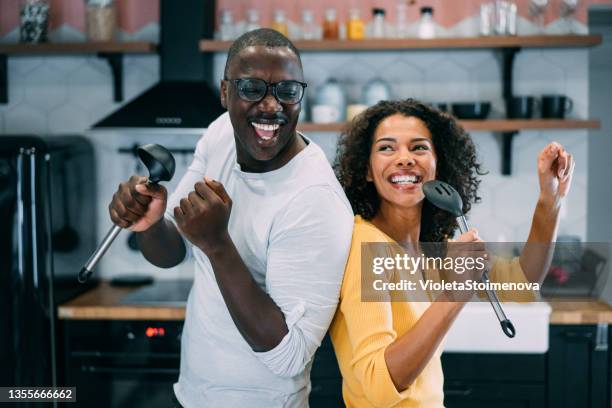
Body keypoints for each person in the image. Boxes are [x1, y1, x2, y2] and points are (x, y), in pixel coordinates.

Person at [108, 29, 353, 407]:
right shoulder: (222, 133)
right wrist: (151, 223)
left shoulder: (315, 201)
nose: (271, 106)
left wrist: (218, 245)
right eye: (251, 88)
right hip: (193, 394)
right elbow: (173, 249)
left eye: (287, 91)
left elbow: (289, 357)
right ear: (225, 93)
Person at [330, 99, 574, 407]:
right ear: (366, 169)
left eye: (419, 148)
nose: (404, 158)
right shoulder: (366, 246)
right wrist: (455, 293)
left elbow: (521, 283)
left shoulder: (432, 246)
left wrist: (549, 201)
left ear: (438, 165)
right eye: (387, 148)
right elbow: (379, 387)